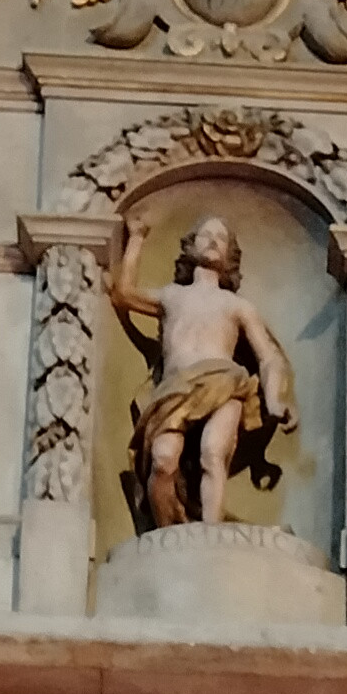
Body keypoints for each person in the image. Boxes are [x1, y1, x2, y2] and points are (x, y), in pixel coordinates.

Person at [109, 208, 295, 526]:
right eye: (205, 235)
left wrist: (275, 399)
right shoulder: (172, 296)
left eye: (221, 238)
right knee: (163, 461)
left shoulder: (237, 305)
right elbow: (124, 294)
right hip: (174, 389)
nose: (212, 241)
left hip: (226, 384)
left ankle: (211, 534)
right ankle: (168, 533)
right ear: (190, 246)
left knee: (213, 452)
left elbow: (268, 357)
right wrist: (137, 239)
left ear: (230, 255)